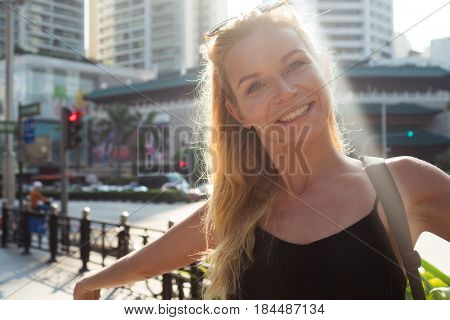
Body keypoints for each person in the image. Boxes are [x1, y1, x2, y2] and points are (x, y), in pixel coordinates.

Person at [74, 1, 450, 300]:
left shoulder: (403, 182)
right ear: (238, 111)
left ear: (324, 66)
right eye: (255, 86)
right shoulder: (236, 208)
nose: (285, 92)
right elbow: (142, 267)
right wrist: (89, 283)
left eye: (296, 64)